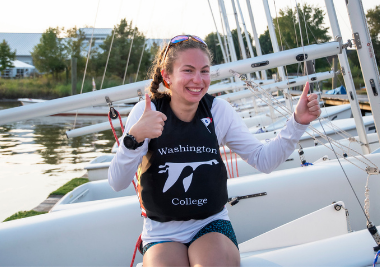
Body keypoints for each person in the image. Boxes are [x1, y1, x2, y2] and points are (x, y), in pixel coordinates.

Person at [108, 35, 321, 267]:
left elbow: (264, 160)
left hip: (209, 224)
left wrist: (298, 121)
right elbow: (117, 182)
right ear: (167, 76)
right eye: (188, 71)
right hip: (161, 231)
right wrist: (134, 138)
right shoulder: (145, 112)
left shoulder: (219, 111)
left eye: (204, 71)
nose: (198, 80)